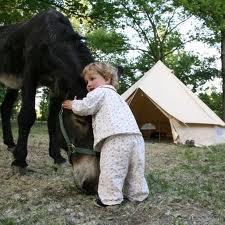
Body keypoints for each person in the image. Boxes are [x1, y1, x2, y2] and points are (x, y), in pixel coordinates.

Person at [62, 62, 149, 207]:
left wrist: (73, 104)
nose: (88, 84)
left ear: (107, 78)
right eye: (86, 82)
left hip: (115, 138)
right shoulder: (119, 98)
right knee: (135, 169)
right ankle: (138, 194)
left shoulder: (100, 92)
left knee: (112, 169)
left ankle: (110, 199)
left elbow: (86, 106)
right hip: (136, 138)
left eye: (92, 79)